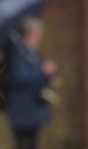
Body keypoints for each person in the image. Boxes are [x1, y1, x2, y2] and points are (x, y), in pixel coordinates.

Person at [5, 16, 58, 149]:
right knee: (23, 143)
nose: (40, 36)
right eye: (38, 33)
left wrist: (48, 75)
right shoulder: (18, 53)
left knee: (32, 142)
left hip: (33, 107)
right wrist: (42, 71)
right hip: (22, 108)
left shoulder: (32, 52)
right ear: (31, 33)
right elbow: (19, 77)